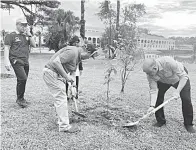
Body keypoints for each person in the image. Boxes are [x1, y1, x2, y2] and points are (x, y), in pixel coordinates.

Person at [43, 42, 98, 133]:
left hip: (56, 75)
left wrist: (73, 86)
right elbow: (56, 62)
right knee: (61, 98)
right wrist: (66, 77)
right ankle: (64, 126)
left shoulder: (78, 57)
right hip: (51, 73)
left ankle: (61, 121)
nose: (88, 58)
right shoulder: (73, 52)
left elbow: (72, 73)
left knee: (61, 98)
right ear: (86, 50)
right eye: (90, 55)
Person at [143, 56, 195, 133]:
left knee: (186, 99)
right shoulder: (150, 75)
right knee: (158, 98)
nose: (148, 75)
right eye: (147, 73)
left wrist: (177, 91)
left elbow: (184, 76)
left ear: (155, 68)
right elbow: (154, 90)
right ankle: (161, 121)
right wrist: (152, 106)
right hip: (164, 81)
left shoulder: (168, 62)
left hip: (179, 79)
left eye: (149, 73)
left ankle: (188, 124)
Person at [4, 17, 36, 108]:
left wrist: (30, 35)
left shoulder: (26, 35)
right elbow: (7, 48)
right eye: (22, 25)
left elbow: (34, 45)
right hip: (16, 60)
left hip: (25, 60)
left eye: (25, 25)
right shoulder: (11, 35)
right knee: (23, 78)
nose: (24, 27)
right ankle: (19, 99)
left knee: (22, 79)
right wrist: (6, 61)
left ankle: (21, 98)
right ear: (17, 25)